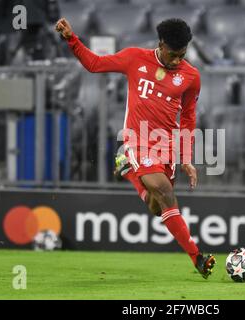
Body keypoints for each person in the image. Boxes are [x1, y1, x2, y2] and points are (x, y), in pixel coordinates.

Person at [55, 17, 216, 279]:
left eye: (182, 55)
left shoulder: (191, 76)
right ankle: (197, 256)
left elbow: (188, 118)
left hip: (166, 147)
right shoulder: (134, 58)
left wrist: (186, 157)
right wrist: (72, 39)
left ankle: (128, 169)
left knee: (157, 206)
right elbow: (95, 64)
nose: (177, 61)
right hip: (137, 140)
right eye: (173, 55)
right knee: (164, 191)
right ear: (161, 44)